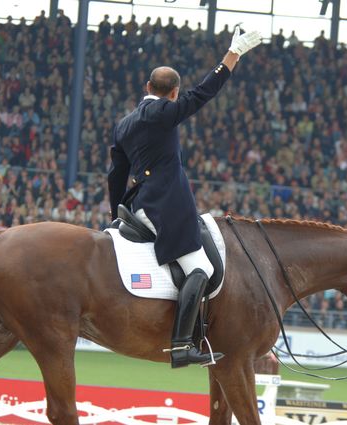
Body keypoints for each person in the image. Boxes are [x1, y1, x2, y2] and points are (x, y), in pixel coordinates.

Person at [108, 26, 262, 368]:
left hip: (137, 204)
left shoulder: (124, 124)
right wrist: (232, 55)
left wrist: (116, 213)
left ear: (147, 87)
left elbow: (115, 175)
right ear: (173, 93)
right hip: (165, 206)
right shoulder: (164, 112)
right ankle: (181, 345)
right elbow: (204, 92)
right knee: (201, 268)